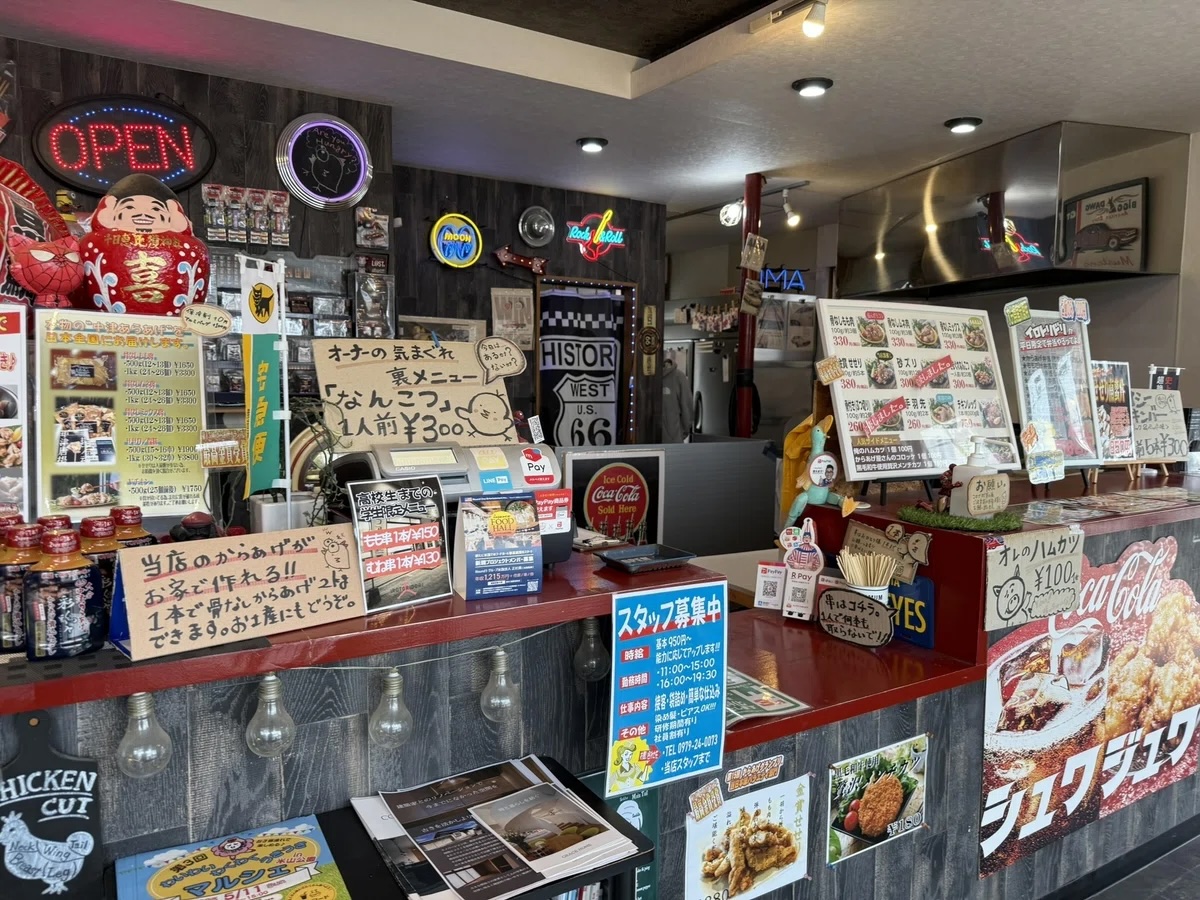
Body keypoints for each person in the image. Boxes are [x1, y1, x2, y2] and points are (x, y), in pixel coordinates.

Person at [661, 356, 693, 443]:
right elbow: (687, 407)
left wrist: (682, 432)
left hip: (672, 440)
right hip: (673, 438)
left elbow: (686, 407)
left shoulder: (678, 376)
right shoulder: (679, 376)